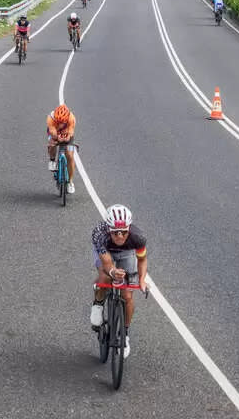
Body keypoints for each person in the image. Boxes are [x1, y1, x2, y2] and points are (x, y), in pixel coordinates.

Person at [90, 204, 148, 358]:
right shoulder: (99, 234)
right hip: (106, 252)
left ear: (129, 228)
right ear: (109, 229)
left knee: (127, 295)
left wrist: (141, 280)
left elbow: (142, 260)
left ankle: (125, 333)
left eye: (124, 232)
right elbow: (107, 263)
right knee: (106, 277)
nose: (120, 236)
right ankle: (98, 304)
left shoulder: (138, 237)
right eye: (115, 232)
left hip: (127, 253)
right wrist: (113, 271)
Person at [47, 104, 77, 194]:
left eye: (62, 122)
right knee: (52, 144)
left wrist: (67, 138)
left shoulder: (71, 118)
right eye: (58, 121)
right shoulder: (50, 118)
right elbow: (52, 132)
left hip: (67, 132)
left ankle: (70, 182)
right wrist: (56, 138)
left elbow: (71, 132)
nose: (60, 124)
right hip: (54, 131)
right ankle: (52, 160)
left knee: (70, 155)